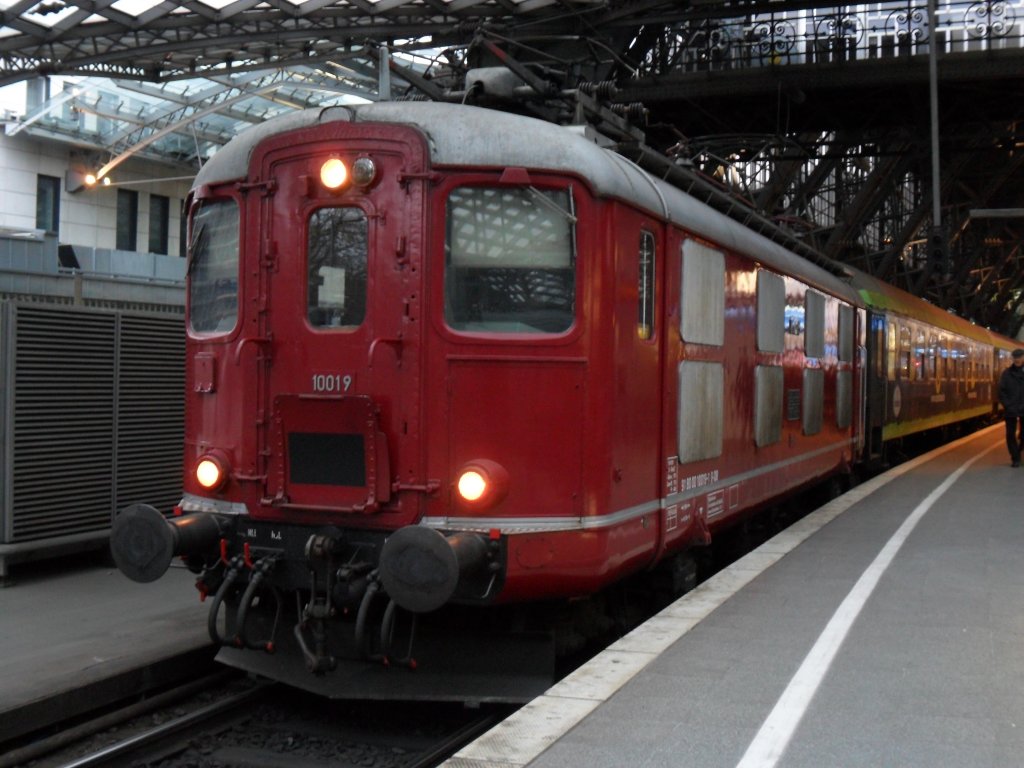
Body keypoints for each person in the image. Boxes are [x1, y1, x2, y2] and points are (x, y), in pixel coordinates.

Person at [998, 348, 1024, 467]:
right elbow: (1001, 391)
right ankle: (1015, 458)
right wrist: (1007, 405)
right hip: (1011, 409)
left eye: (1019, 357)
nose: (1017, 359)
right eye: (1015, 357)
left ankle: (1019, 450)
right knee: (1010, 434)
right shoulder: (1007, 374)